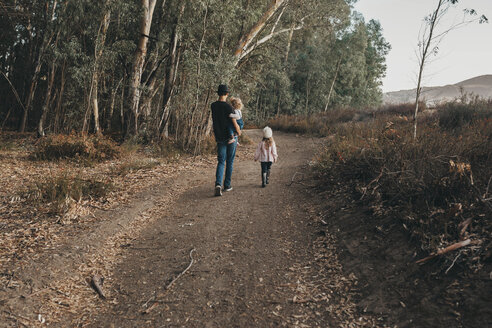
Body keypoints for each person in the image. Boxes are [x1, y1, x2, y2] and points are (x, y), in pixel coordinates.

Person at [211, 84, 241, 196]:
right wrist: (238, 130)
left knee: (221, 161)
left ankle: (218, 184)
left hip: (219, 137)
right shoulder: (228, 107)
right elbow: (234, 121)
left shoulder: (213, 105)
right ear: (227, 94)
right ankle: (227, 185)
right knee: (230, 161)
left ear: (218, 93)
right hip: (230, 136)